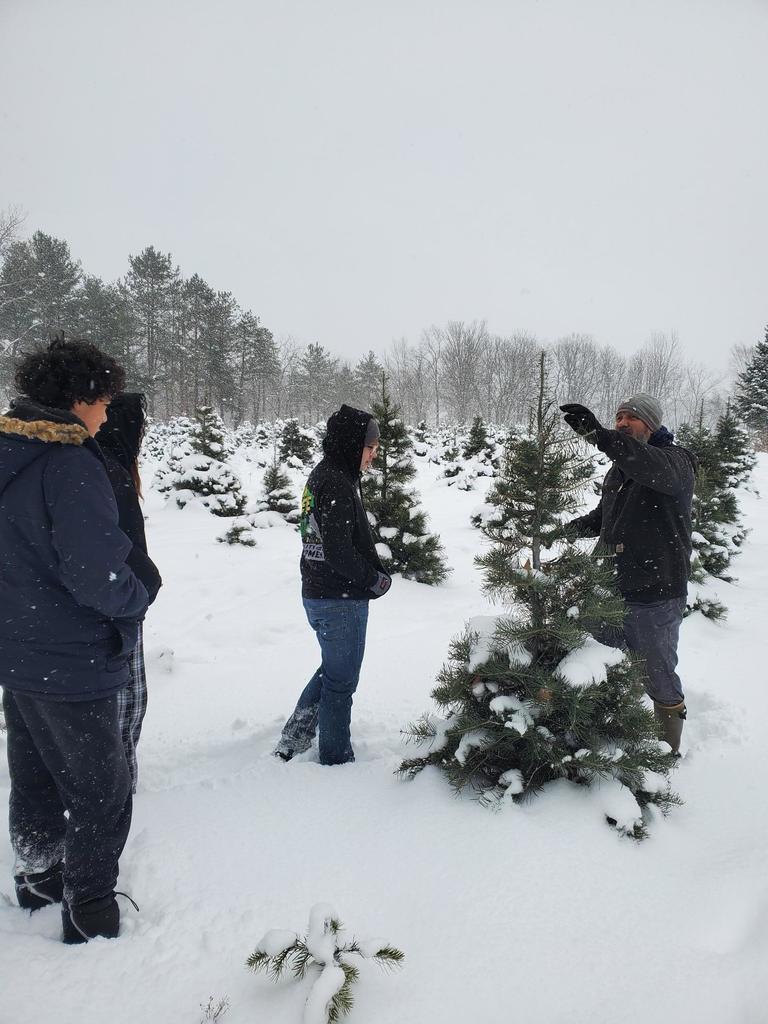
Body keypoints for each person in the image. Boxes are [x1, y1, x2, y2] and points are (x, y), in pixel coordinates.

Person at [0, 338, 148, 943]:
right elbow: (98, 573)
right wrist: (137, 596)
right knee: (102, 792)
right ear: (80, 398)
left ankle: (38, 881)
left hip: (19, 652)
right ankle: (89, 916)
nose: (109, 415)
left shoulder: (11, 452)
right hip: (75, 661)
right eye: (105, 402)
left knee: (34, 776)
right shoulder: (69, 464)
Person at [555, 394, 695, 754]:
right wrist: (561, 531)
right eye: (617, 417)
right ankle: (611, 716)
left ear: (651, 424)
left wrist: (598, 436)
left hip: (655, 592)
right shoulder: (619, 470)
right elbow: (604, 517)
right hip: (610, 586)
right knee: (596, 649)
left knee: (657, 672)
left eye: (631, 417)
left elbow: (642, 461)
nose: (621, 422)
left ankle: (667, 749)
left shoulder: (674, 464)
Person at [274, 405, 392, 765]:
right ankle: (336, 758)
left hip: (319, 592)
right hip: (339, 600)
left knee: (333, 669)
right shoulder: (338, 483)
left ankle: (296, 735)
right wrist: (375, 580)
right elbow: (339, 552)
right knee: (341, 683)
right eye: (370, 447)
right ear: (352, 444)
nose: (374, 455)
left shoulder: (326, 474)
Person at [96, 392, 162, 792]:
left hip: (119, 603)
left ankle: (117, 787)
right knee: (126, 703)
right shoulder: (106, 470)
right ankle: (117, 793)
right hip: (117, 609)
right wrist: (146, 585)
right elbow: (117, 546)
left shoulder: (107, 465)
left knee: (123, 705)